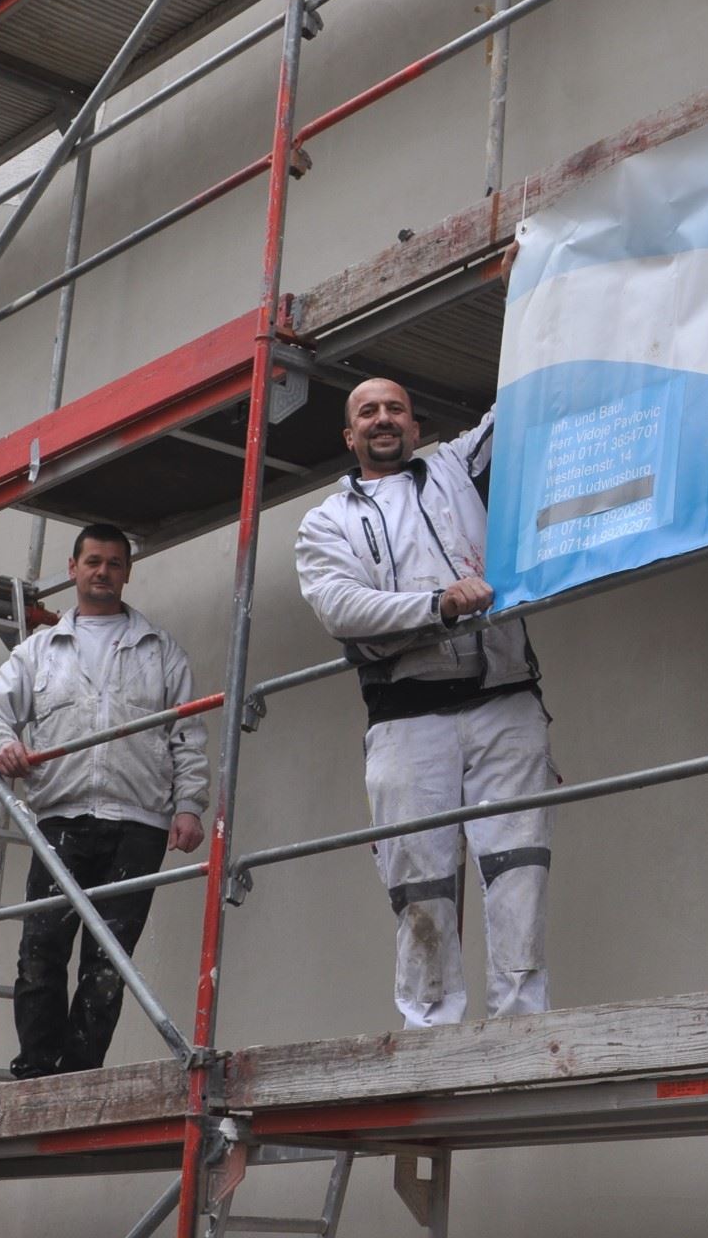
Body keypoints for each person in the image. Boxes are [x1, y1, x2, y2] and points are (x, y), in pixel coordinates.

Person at [295, 378, 553, 1028]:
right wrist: (437, 606)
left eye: (395, 409)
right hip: (405, 716)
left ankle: (521, 1023)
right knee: (420, 883)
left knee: (518, 866)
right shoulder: (327, 520)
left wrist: (535, 313)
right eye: (368, 412)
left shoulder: (456, 467)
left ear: (415, 426)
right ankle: (431, 1029)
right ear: (350, 435)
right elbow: (341, 607)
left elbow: (521, 403)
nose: (383, 418)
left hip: (503, 699)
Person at [0, 523, 209, 1078]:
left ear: (127, 573)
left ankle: (78, 1073)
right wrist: (0, 742)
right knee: (41, 950)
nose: (103, 572)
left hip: (139, 824)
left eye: (114, 563)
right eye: (93, 561)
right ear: (73, 568)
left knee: (108, 960)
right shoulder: (39, 652)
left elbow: (188, 736)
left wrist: (189, 806)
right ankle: (37, 1070)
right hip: (62, 819)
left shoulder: (161, 651)